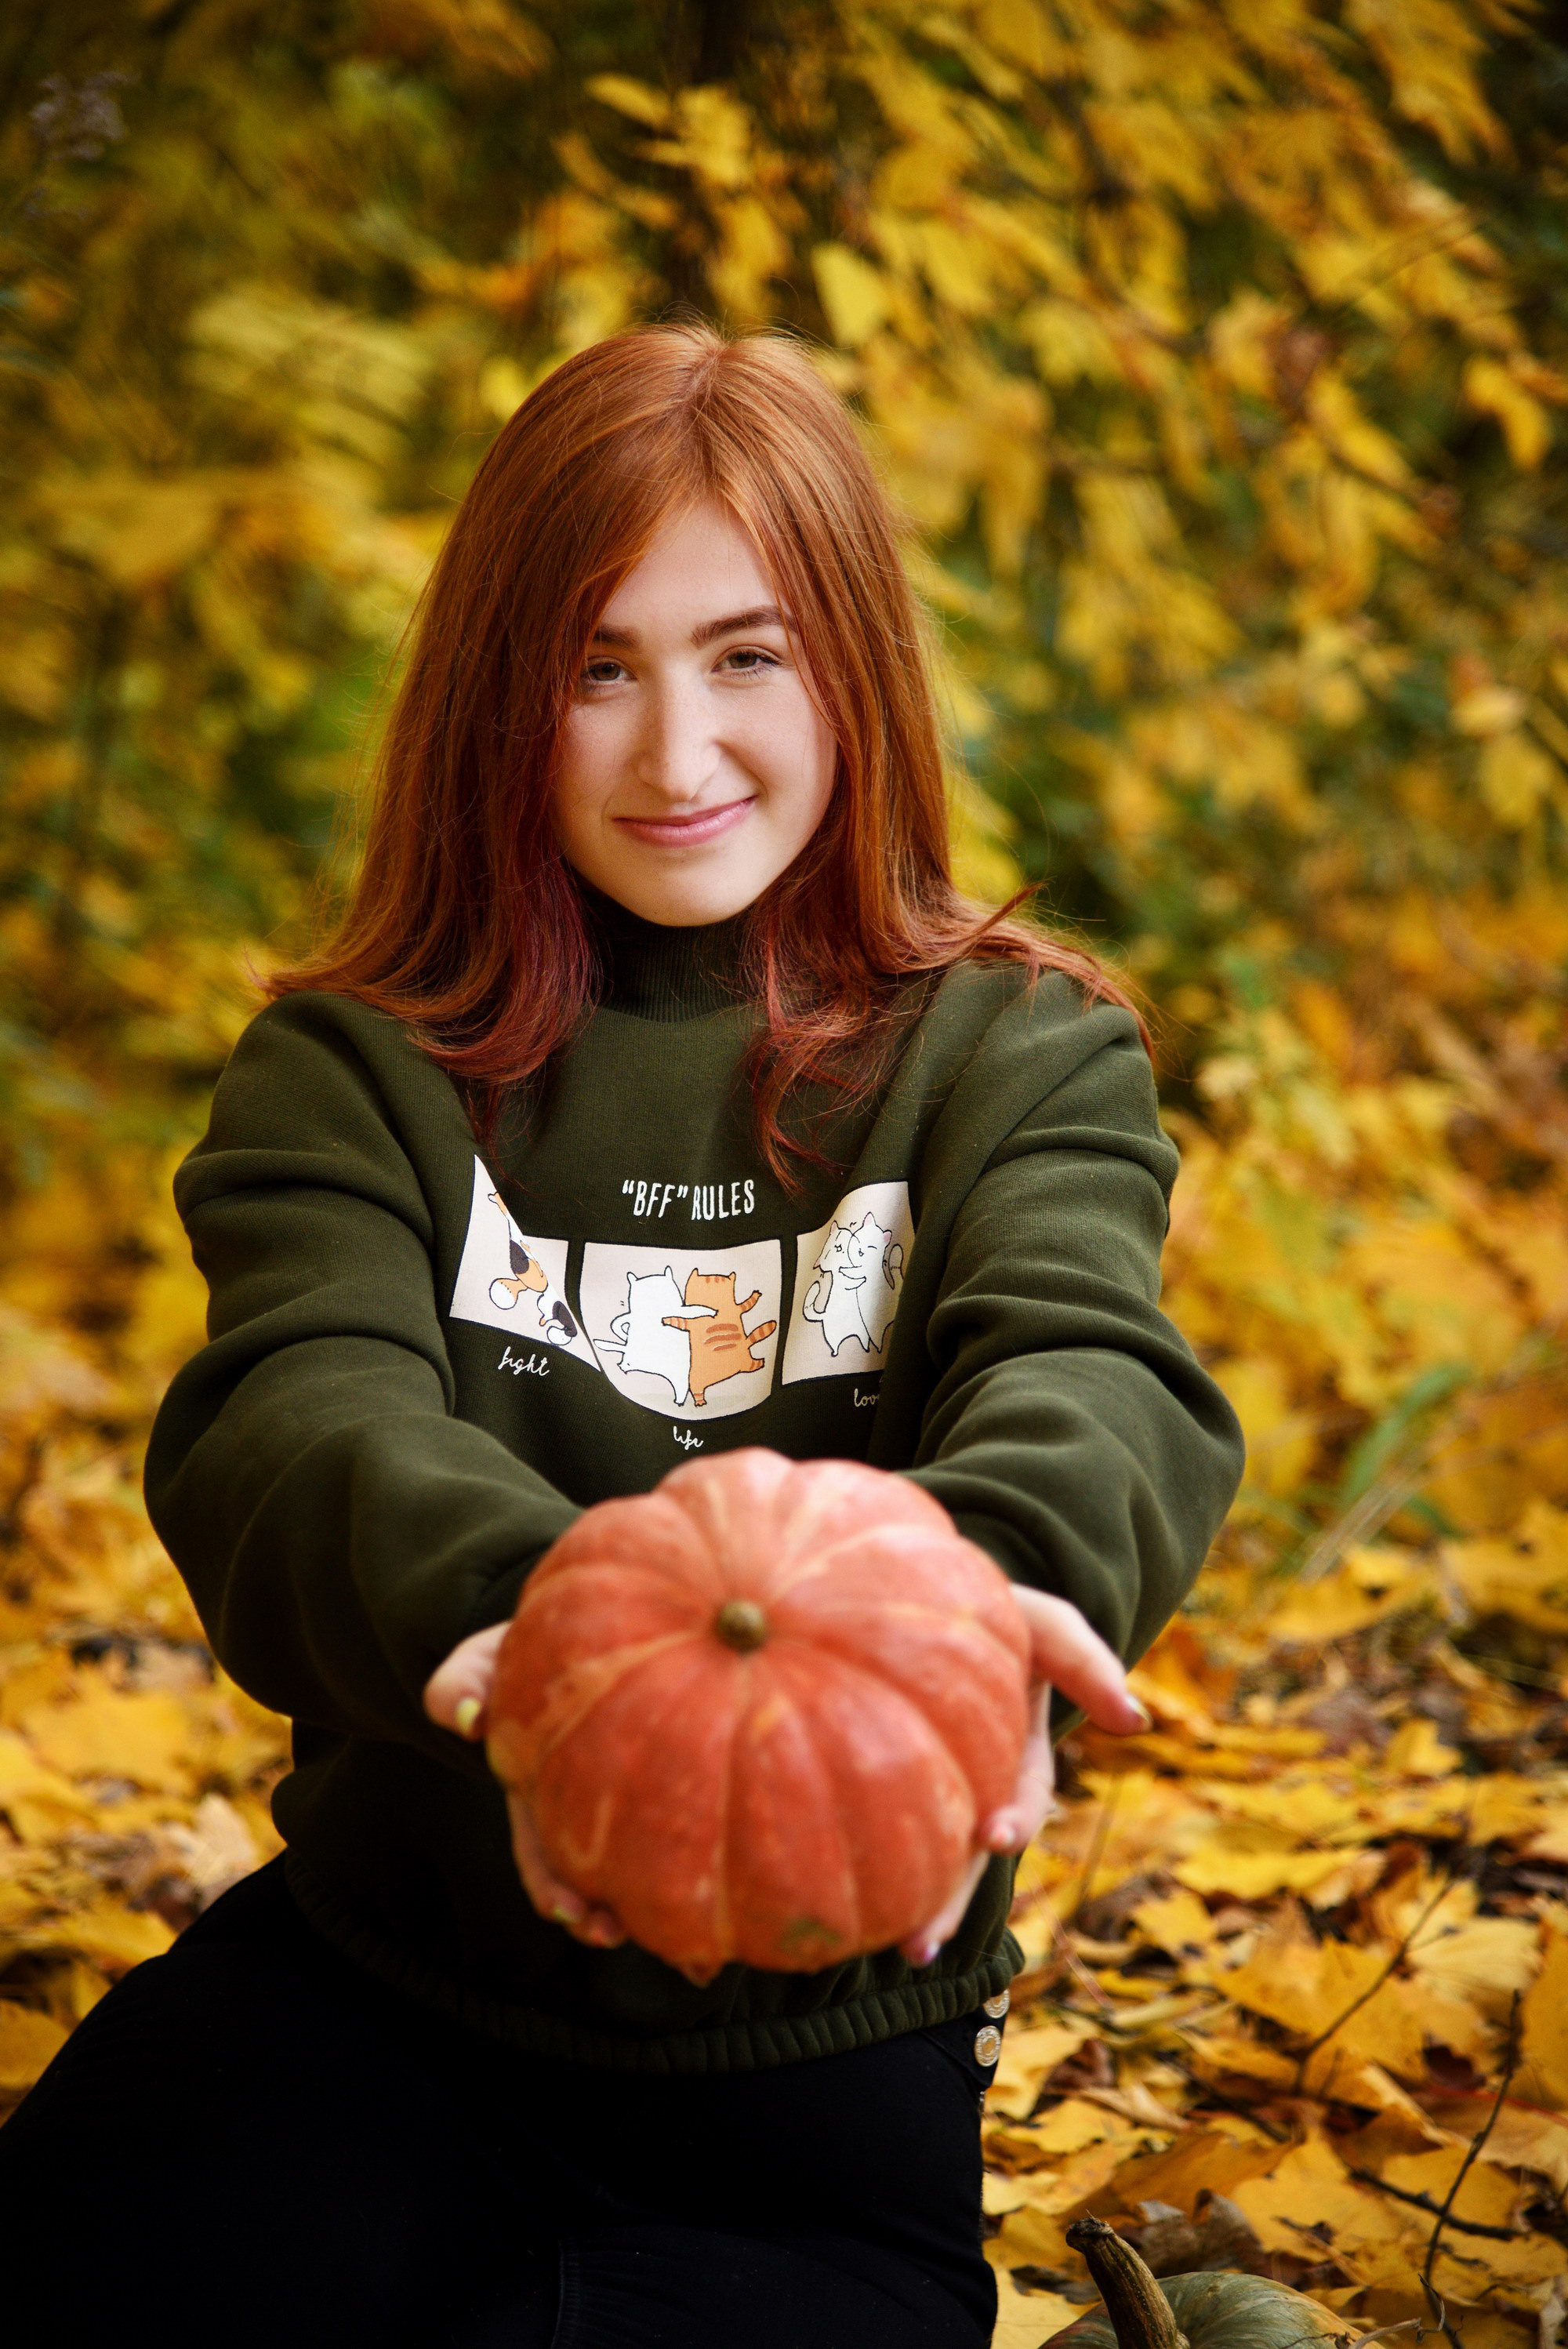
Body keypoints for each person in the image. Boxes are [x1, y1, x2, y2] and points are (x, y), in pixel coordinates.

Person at [0, 326, 1243, 2346]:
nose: (678, 756)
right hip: (384, 1980)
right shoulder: (362, 1070)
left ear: (853, 664)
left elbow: (1089, 1370)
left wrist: (971, 1593)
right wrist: (566, 1626)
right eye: (599, 667)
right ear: (504, 698)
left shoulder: (1017, 1057)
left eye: (748, 654)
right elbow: (287, 1421)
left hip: (818, 2071)